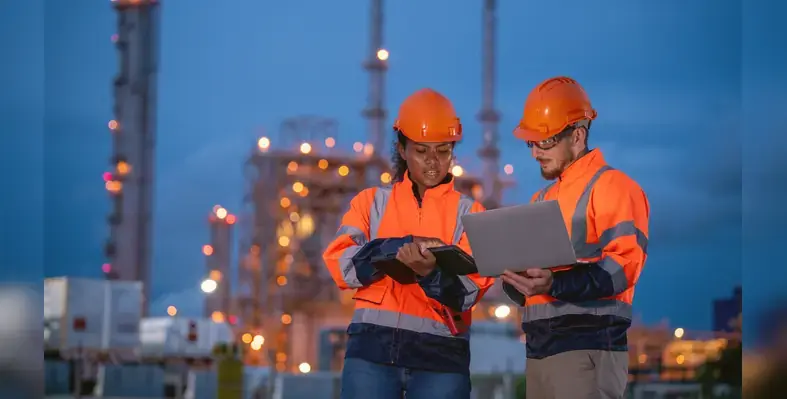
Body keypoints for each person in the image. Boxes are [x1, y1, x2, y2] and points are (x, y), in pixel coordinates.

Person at [323, 88, 494, 399]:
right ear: (401, 149)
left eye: (443, 150)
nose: (433, 162)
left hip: (440, 359)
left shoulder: (471, 213)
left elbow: (470, 292)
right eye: (421, 150)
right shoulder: (370, 203)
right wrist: (396, 248)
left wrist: (430, 273)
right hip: (371, 353)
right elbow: (341, 266)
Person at [500, 76, 650, 399]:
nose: (535, 153)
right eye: (532, 143)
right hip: (539, 352)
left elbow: (623, 267)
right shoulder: (539, 200)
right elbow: (532, 289)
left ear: (578, 135)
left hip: (589, 350)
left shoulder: (613, 187)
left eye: (546, 142)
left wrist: (554, 283)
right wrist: (515, 279)